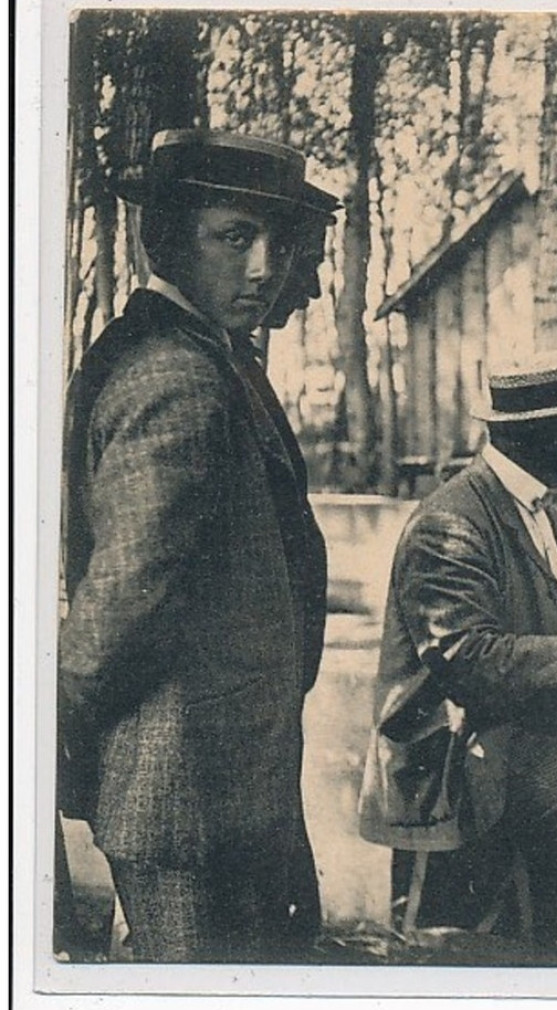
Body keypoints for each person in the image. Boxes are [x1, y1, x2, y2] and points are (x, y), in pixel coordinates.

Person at [57, 129, 339, 961]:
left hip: (225, 782)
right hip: (185, 792)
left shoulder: (209, 358)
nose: (265, 267)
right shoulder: (172, 375)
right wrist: (50, 731)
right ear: (171, 237)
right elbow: (120, 600)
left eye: (277, 241)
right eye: (234, 236)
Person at [360, 351, 557, 966]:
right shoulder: (451, 521)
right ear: (541, 434)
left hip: (520, 727)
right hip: (454, 753)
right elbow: (467, 658)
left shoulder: (541, 510)